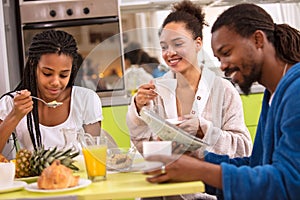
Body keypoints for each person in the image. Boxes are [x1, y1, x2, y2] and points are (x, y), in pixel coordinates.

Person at [144, 3, 300, 200]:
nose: (223, 66)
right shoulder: (273, 96)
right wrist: (201, 160)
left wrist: (200, 170)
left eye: (226, 53)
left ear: (258, 40)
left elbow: (290, 183)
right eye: (218, 58)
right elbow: (258, 164)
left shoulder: (296, 92)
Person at [127, 0, 252, 158]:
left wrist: (204, 129)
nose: (170, 53)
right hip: (172, 179)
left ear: (198, 43)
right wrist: (138, 109)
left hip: (211, 178)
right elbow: (144, 148)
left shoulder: (224, 91)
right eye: (164, 47)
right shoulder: (156, 92)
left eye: (178, 44)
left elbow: (243, 149)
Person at [0, 30, 103, 154]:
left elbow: (95, 151)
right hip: (35, 173)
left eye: (64, 75)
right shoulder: (12, 103)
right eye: (47, 73)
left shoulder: (86, 99)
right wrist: (14, 116)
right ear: (33, 65)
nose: (55, 82)